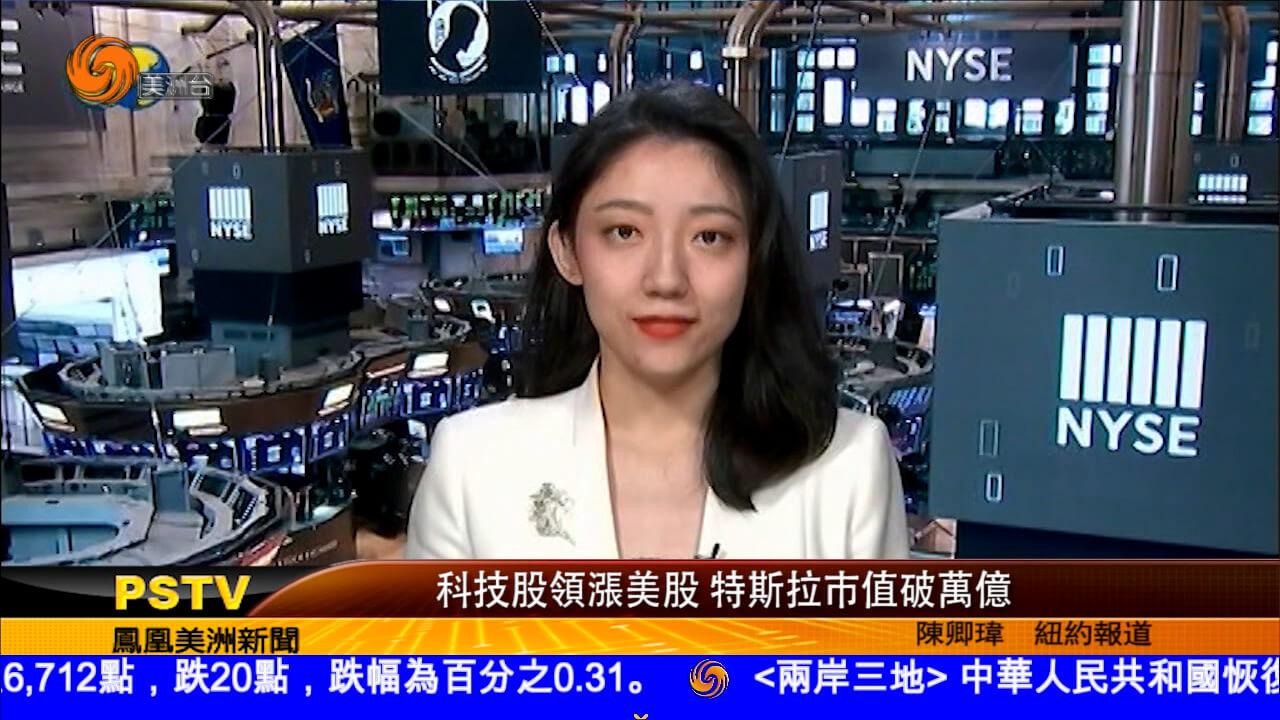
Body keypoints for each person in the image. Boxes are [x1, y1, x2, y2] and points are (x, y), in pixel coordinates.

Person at [406, 82, 909, 559]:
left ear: (754, 260)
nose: (666, 279)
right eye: (624, 232)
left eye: (709, 237)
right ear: (566, 252)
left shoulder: (848, 468)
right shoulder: (473, 468)